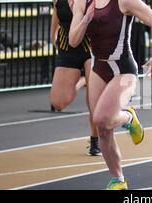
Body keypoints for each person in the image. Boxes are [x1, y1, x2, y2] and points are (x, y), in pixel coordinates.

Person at [69, 0, 152, 190]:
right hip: (99, 68)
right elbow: (73, 40)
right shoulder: (82, 2)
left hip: (123, 70)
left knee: (102, 118)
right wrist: (86, 19)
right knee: (102, 129)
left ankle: (128, 116)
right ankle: (118, 179)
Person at [50, 0, 101, 156]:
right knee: (58, 102)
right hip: (68, 47)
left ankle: (95, 140)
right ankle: (83, 80)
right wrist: (53, 36)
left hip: (91, 46)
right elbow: (56, 14)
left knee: (93, 99)